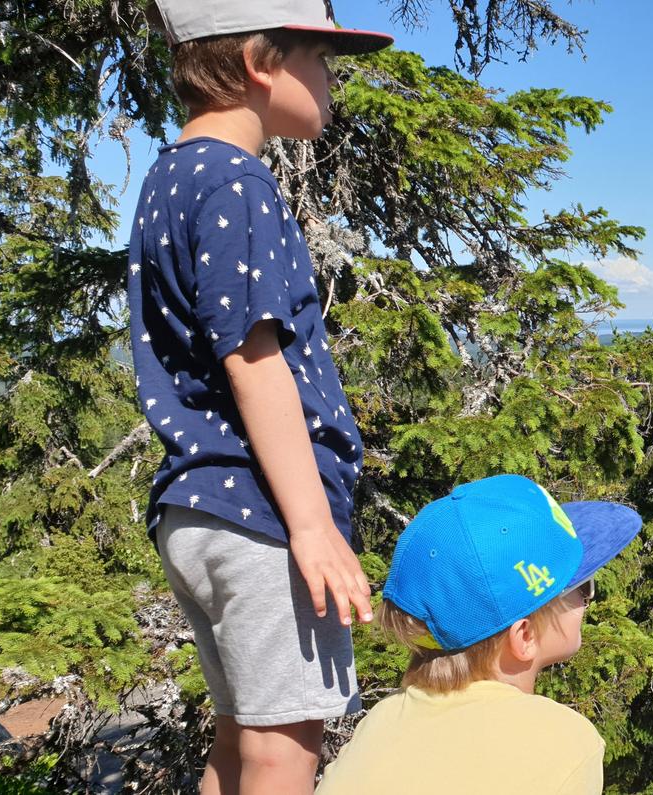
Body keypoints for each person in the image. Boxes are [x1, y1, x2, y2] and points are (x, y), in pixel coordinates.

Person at [127, 2, 392, 793]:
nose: (331, 82)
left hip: (198, 508)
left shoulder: (170, 176)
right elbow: (254, 360)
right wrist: (312, 526)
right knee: (286, 747)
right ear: (257, 62)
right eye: (321, 59)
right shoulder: (238, 181)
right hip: (262, 516)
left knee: (241, 738)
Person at [315, 474, 643, 794]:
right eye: (582, 588)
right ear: (524, 636)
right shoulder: (565, 742)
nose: (589, 600)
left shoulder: (381, 722)